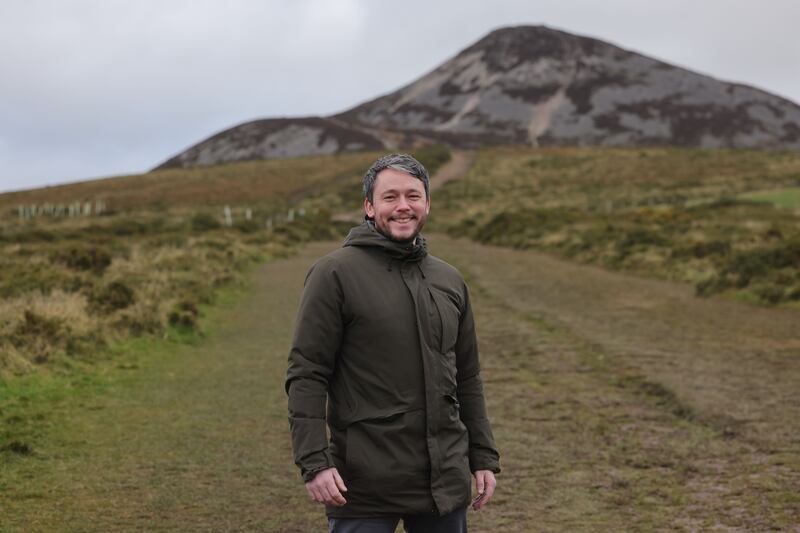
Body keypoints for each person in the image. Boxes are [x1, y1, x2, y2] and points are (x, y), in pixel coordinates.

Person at [286, 153, 500, 532]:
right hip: (364, 482)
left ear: (427, 203)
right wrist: (315, 462)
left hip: (443, 480)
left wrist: (482, 455)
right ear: (369, 207)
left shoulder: (449, 280)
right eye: (390, 197)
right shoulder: (333, 274)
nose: (403, 206)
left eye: (413, 196)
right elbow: (307, 373)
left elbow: (468, 377)